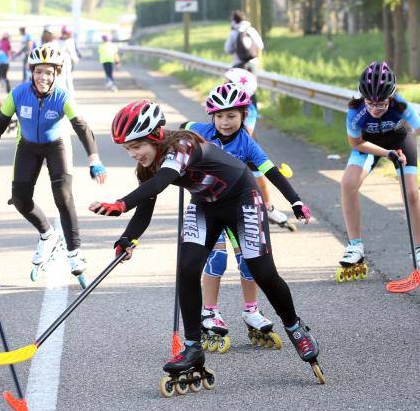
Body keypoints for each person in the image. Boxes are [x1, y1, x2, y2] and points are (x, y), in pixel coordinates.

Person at [90, 100, 322, 382]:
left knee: (262, 272)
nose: (132, 154)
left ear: (154, 136)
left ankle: (295, 327)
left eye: (136, 146)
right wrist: (128, 238)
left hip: (242, 199)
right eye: (127, 149)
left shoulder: (183, 144)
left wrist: (120, 203)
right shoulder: (148, 165)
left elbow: (163, 181)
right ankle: (192, 348)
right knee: (187, 268)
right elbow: (147, 204)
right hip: (206, 205)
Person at [183, 82, 311, 351]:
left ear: (244, 115)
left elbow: (272, 172)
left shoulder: (248, 144)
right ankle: (209, 311)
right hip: (208, 207)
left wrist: (295, 201)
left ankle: (251, 310)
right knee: (216, 259)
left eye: (231, 116)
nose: (225, 122)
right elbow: (179, 131)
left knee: (248, 261)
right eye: (219, 116)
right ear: (212, 117)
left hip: (238, 209)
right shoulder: (200, 131)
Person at [0, 44, 107, 281]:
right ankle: (48, 235)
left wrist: (94, 160)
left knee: (63, 195)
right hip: (28, 146)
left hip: (56, 145)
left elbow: (82, 128)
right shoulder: (18, 94)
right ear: (32, 72)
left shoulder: (62, 97)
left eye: (49, 72)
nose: (43, 77)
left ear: (56, 74)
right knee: (20, 199)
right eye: (39, 71)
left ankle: (74, 253)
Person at [338, 61, 420, 283]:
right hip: (368, 144)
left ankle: (419, 249)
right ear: (362, 97)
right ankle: (355, 245)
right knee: (348, 184)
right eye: (370, 103)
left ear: (391, 96)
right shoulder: (355, 111)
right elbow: (356, 144)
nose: (375, 109)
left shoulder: (401, 106)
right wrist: (387, 153)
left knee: (411, 193)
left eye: (382, 104)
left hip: (399, 140)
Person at [224, 68, 292, 229]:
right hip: (226, 149)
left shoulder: (249, 110)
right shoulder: (220, 103)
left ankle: (268, 208)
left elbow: (246, 133)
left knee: (260, 181)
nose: (223, 85)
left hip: (246, 149)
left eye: (227, 83)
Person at [55, 25, 79, 96]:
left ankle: (70, 96)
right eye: (67, 33)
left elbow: (73, 54)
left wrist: (75, 58)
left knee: (68, 78)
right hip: (58, 63)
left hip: (67, 63)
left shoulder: (70, 41)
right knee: (59, 80)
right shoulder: (56, 41)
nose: (69, 35)